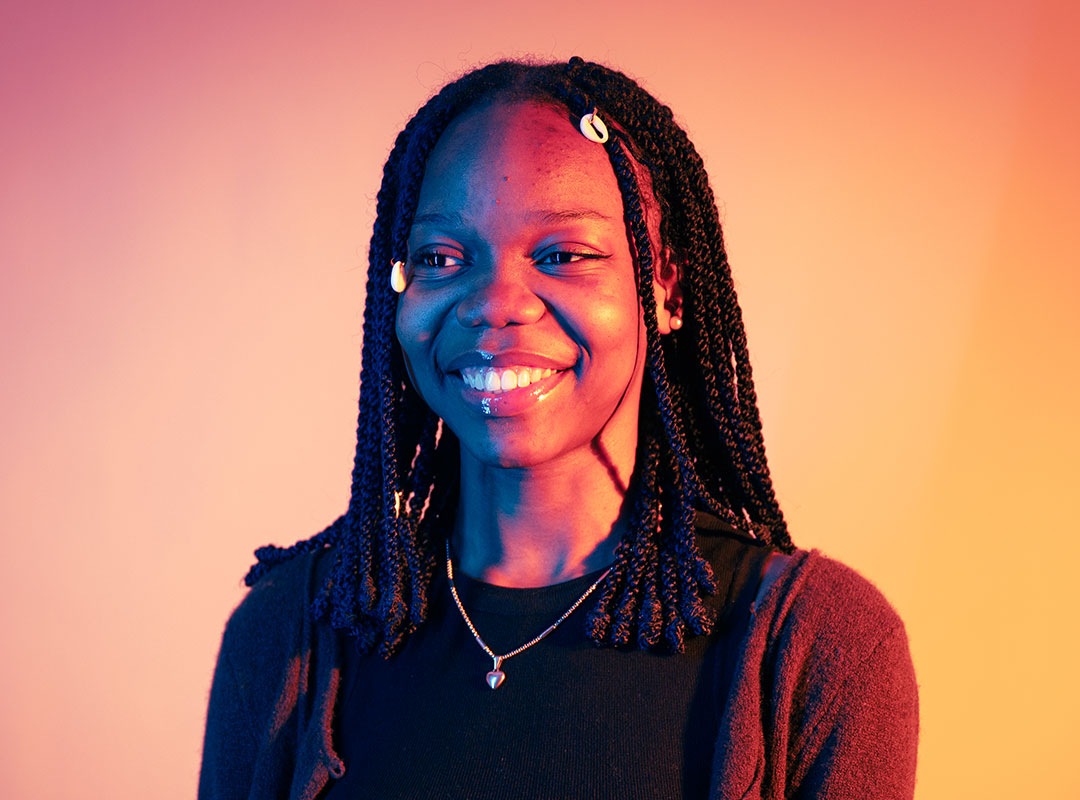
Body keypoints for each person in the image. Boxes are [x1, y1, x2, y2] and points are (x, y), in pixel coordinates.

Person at [199, 57, 918, 799]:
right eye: (442, 258)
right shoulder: (292, 631)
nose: (496, 303)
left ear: (665, 284)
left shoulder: (818, 647)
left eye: (563, 255)